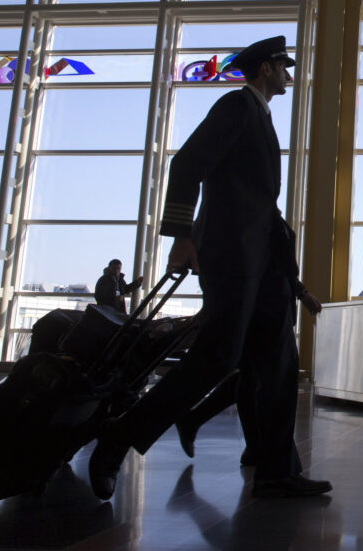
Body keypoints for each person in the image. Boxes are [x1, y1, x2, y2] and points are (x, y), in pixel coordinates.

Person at [89, 35, 329, 500]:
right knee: (216, 358)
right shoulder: (237, 107)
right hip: (233, 256)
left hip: (263, 264)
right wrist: (181, 237)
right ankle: (119, 438)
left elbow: (259, 202)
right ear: (263, 69)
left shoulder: (260, 115)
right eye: (283, 65)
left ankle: (278, 471)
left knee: (279, 365)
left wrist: (290, 276)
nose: (289, 73)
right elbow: (186, 165)